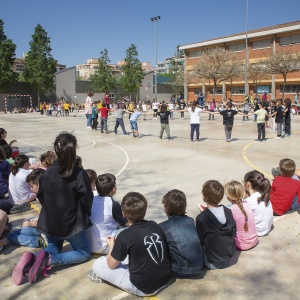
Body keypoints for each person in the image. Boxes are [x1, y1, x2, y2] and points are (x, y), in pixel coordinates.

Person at [12, 132, 94, 285]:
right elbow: (87, 199)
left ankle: (36, 258)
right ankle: (50, 259)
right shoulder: (79, 173)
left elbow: (41, 197)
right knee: (83, 253)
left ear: (56, 150)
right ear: (73, 150)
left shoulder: (46, 173)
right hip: (71, 224)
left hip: (49, 222)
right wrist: (84, 214)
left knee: (52, 248)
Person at [92, 192, 171, 296]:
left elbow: (111, 265)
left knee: (99, 264)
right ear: (145, 210)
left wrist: (112, 245)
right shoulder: (155, 225)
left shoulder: (125, 235)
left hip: (143, 287)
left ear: (123, 214)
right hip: (165, 278)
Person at [160, 189, 203, 277]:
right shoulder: (190, 220)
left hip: (180, 269)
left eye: (163, 202)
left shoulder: (163, 226)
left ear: (166, 206)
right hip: (199, 266)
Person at [196, 180, 236, 269]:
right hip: (228, 259)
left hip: (212, 262)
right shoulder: (228, 212)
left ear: (204, 196)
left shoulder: (202, 218)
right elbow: (234, 232)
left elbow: (200, 240)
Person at [87, 173, 128, 254]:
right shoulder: (113, 204)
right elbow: (127, 223)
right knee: (131, 229)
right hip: (107, 246)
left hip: (89, 245)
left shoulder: (91, 199)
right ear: (113, 189)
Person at [8, 169, 47, 248]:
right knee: (16, 232)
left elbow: (48, 221)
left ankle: (39, 241)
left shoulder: (47, 199)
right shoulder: (45, 195)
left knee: (13, 236)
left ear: (39, 184)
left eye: (32, 186)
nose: (31, 189)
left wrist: (29, 224)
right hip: (48, 228)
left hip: (49, 231)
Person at [224, 181, 258, 251]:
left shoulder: (230, 210)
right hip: (254, 240)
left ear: (228, 196)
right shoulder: (247, 204)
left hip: (241, 245)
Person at [244, 170, 273, 236]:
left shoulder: (249, 201)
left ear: (248, 184)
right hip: (266, 229)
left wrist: (244, 199)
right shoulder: (264, 196)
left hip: (257, 231)